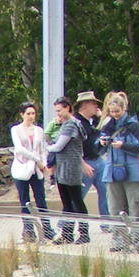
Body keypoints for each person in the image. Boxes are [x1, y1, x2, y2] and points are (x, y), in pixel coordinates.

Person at [100, 91, 139, 249]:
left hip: (131, 171)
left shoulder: (133, 126)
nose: (115, 115)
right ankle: (119, 240)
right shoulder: (108, 125)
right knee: (114, 207)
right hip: (112, 171)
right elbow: (98, 148)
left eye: (117, 112)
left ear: (124, 109)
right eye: (112, 112)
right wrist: (101, 142)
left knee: (135, 207)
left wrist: (124, 145)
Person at [46, 97, 91, 244]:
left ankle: (84, 233)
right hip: (63, 168)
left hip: (70, 168)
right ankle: (67, 233)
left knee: (76, 201)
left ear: (67, 108)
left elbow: (59, 146)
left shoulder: (71, 125)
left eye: (59, 110)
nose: (57, 114)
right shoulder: (67, 124)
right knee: (67, 203)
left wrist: (46, 148)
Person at [9, 101, 55, 242]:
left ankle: (47, 229)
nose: (31, 116)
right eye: (28, 113)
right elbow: (20, 148)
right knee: (25, 200)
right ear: (22, 114)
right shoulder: (16, 129)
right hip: (23, 167)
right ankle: (28, 231)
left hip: (36, 169)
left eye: (33, 113)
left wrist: (43, 163)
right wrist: (36, 159)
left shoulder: (38, 130)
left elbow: (41, 149)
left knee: (41, 199)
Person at [74, 91, 110, 220]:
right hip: (84, 162)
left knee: (106, 192)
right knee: (78, 196)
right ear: (85, 104)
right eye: (93, 103)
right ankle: (65, 225)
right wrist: (82, 164)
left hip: (98, 159)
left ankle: (107, 222)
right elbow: (74, 147)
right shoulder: (76, 122)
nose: (96, 106)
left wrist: (101, 118)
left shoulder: (93, 121)